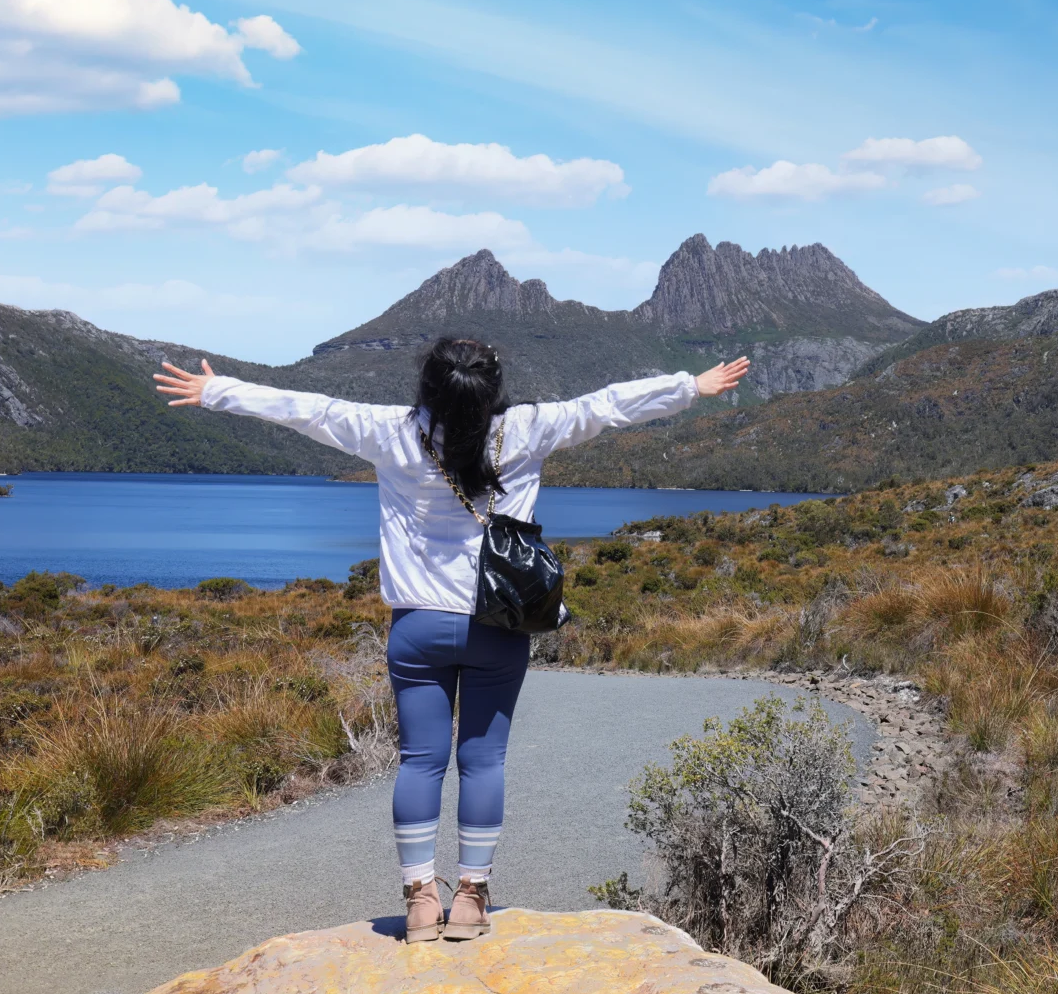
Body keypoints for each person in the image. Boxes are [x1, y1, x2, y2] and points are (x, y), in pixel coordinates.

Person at [154, 340, 749, 943]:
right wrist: (689, 386)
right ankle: (470, 897)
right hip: (498, 624)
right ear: (491, 390)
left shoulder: (388, 432)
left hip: (417, 630)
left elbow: (306, 408)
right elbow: (608, 406)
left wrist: (217, 390)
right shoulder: (527, 430)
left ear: (428, 387)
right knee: (483, 759)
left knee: (421, 760)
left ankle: (419, 901)